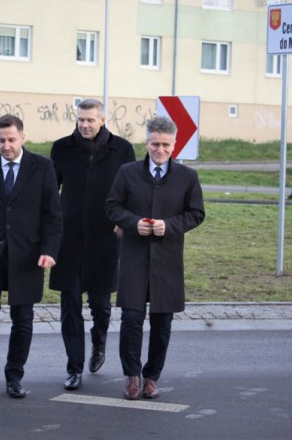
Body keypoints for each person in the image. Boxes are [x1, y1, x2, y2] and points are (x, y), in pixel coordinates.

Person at [0, 114, 63, 399]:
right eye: (1, 140)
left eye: (11, 140)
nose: (6, 145)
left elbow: (53, 215)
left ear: (23, 138)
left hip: (28, 254)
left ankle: (14, 374)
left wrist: (49, 251)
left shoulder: (42, 167)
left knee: (23, 318)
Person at [105, 116, 205, 400]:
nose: (159, 150)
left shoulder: (188, 177)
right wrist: (132, 222)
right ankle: (132, 375)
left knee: (162, 322)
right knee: (131, 319)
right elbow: (112, 206)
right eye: (154, 144)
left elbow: (196, 213)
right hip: (135, 256)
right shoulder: (128, 172)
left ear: (174, 145)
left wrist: (169, 226)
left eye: (165, 145)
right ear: (146, 142)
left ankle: (152, 377)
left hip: (168, 259)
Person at [49, 98, 136, 391]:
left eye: (90, 120)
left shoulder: (122, 149)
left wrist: (123, 221)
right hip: (68, 238)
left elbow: (131, 191)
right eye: (81, 120)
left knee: (100, 305)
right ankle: (74, 367)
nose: (85, 125)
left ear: (102, 120)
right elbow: (51, 192)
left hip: (105, 238)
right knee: (69, 303)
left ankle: (99, 341)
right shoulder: (62, 148)